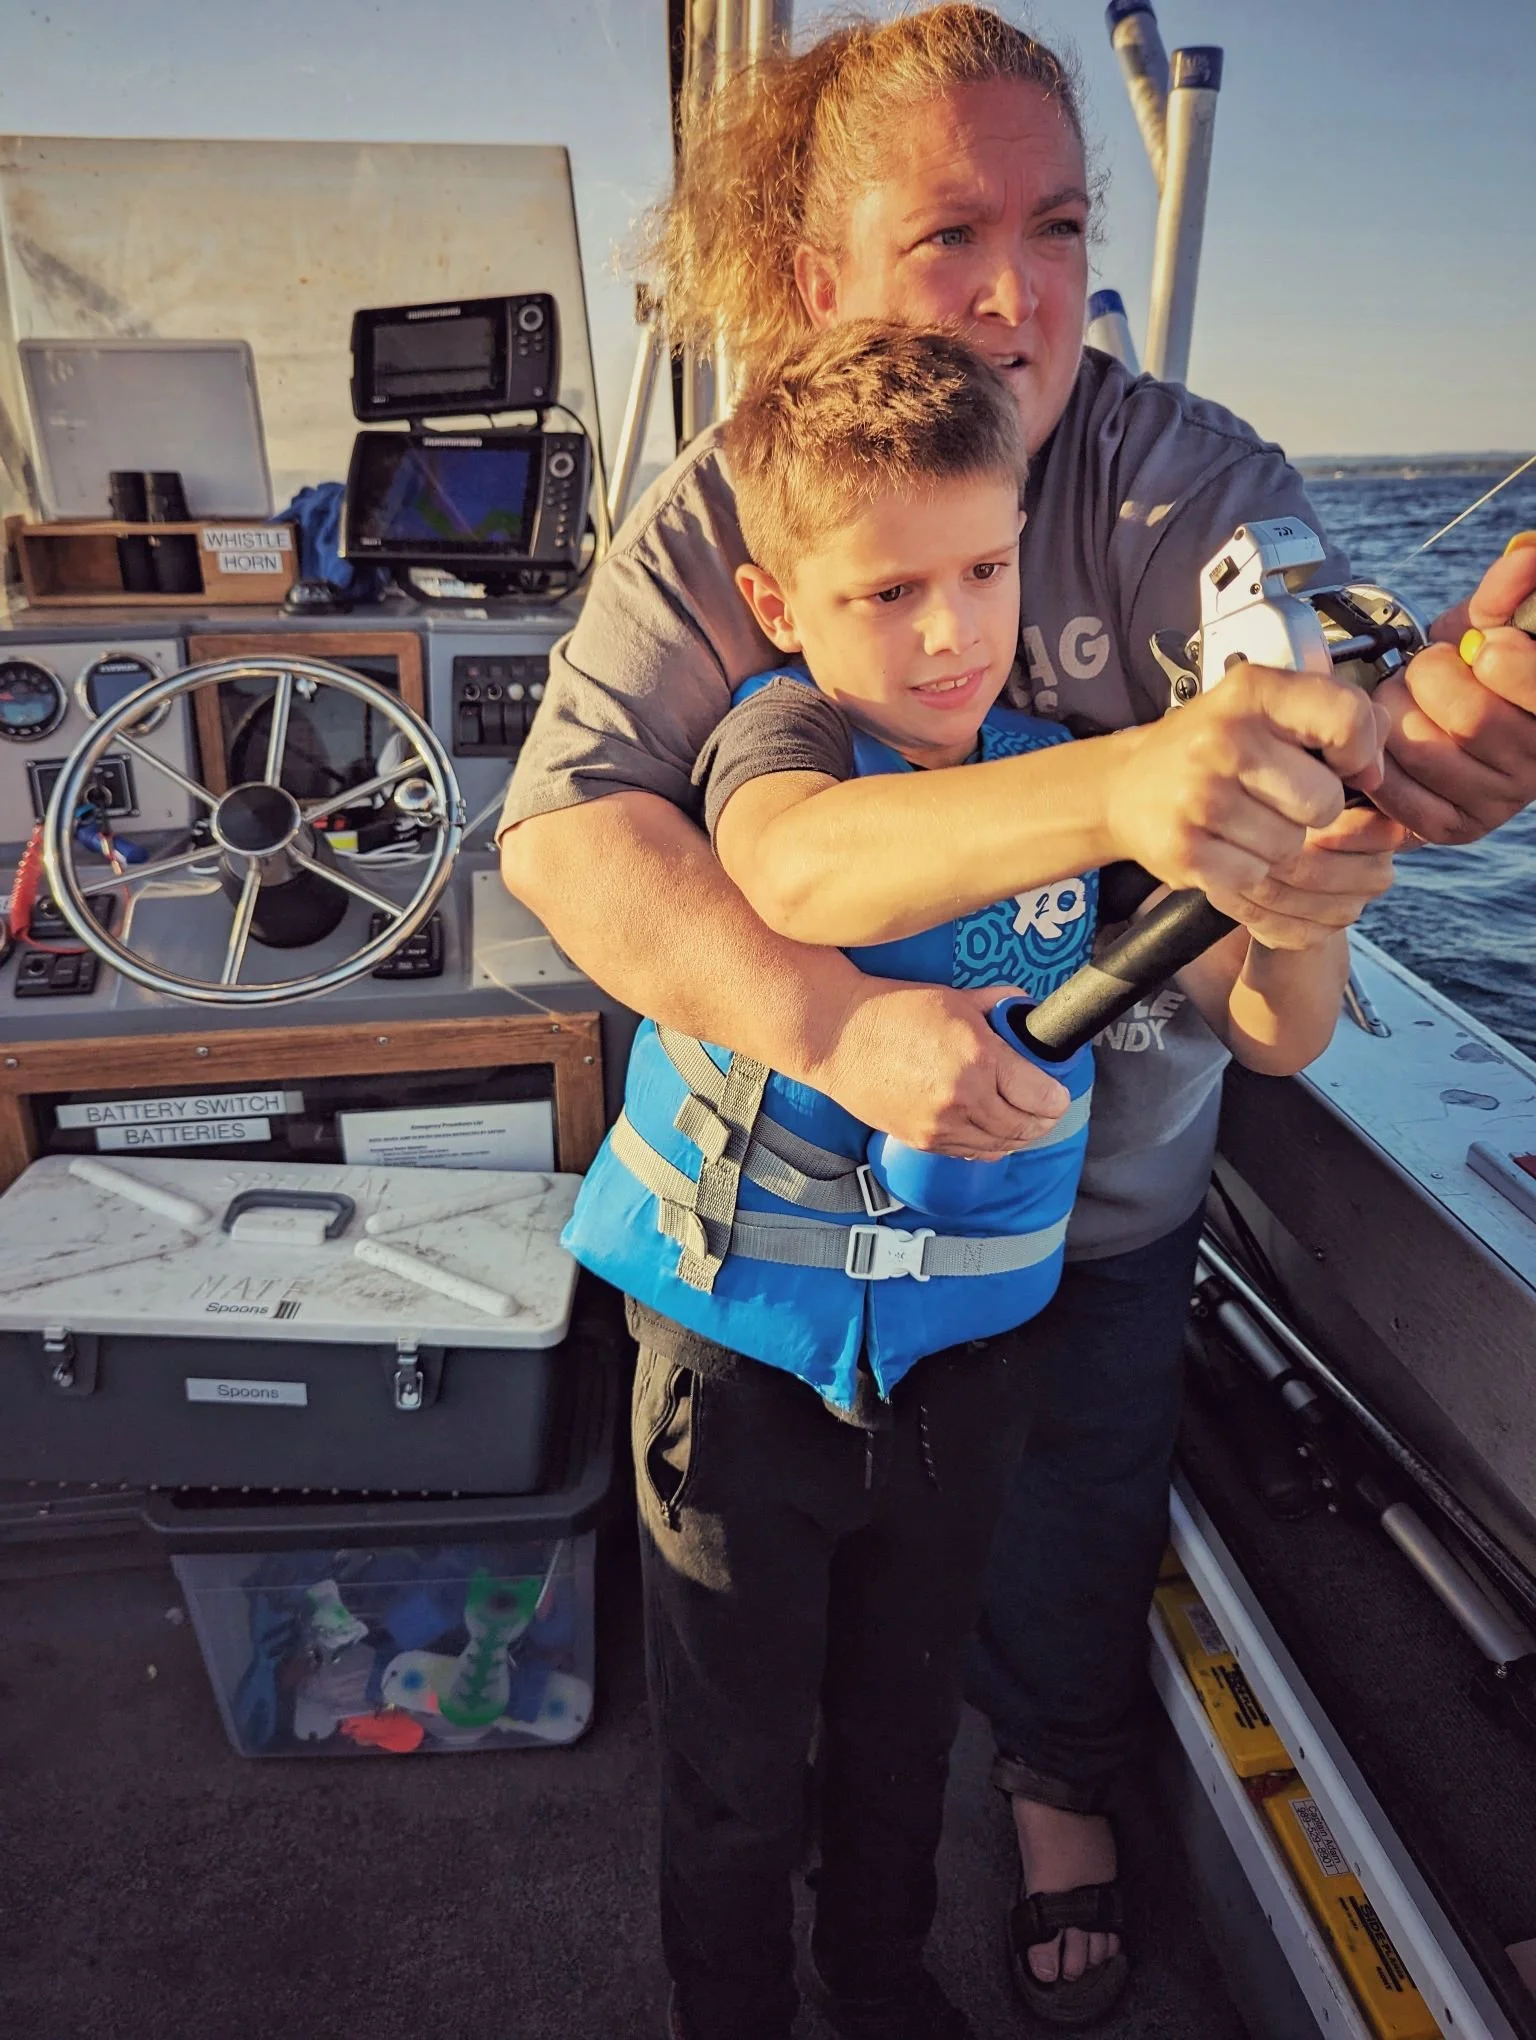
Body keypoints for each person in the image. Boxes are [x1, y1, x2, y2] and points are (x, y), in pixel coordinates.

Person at [497, 5, 1536, 2023]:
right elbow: (592, 832)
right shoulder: (751, 507)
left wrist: (1433, 744)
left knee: (1062, 1507)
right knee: (750, 1693)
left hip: (1080, 1217)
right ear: (813, 291)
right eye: (948, 233)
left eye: (1055, 229)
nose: (1015, 291)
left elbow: (1310, 687)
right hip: (764, 1275)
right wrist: (854, 1003)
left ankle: (1048, 1791)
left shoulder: (1193, 480)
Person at [558, 319, 1390, 2040]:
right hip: (741, 1371)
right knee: (734, 1766)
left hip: (967, 1372)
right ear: (781, 604)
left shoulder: (1051, 767)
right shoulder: (774, 739)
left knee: (903, 1722)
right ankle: (733, 2017)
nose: (949, 631)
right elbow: (796, 873)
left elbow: (1270, 1024)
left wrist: (1302, 903)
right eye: (885, 591)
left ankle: (879, 1986)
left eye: (987, 569)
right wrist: (1141, 782)